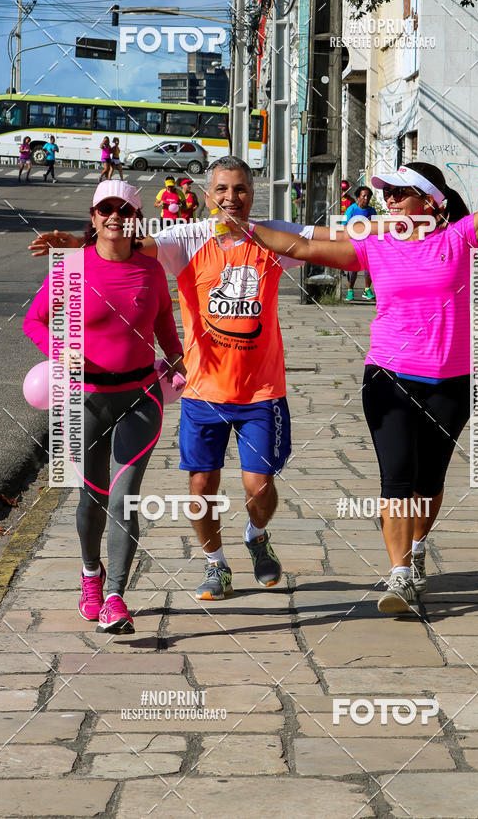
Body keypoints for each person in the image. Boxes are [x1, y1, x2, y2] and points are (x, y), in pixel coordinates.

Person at [222, 97, 478, 614]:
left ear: (431, 203)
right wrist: (244, 227)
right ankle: (400, 575)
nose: (391, 201)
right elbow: (305, 247)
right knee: (398, 476)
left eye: (401, 194)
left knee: (430, 484)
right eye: (388, 194)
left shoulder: (460, 238)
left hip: (451, 383)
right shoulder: (375, 245)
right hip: (389, 377)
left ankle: (417, 546)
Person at [29, 156, 339, 602]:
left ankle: (256, 535)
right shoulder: (187, 238)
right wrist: (82, 243)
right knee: (200, 486)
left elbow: (330, 239)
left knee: (260, 487)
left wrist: (401, 231)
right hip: (203, 391)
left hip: (262, 391)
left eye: (240, 188)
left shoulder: (272, 235)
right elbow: (128, 244)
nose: (231, 197)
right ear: (208, 195)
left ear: (252, 194)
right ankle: (215, 565)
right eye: (222, 189)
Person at [23, 180, 185, 633]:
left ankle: (115, 596)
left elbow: (164, 323)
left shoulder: (151, 271)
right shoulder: (72, 266)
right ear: (93, 218)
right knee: (91, 498)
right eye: (105, 208)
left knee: (125, 497)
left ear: (136, 219)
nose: (115, 215)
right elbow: (34, 321)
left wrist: (177, 359)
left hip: (141, 398)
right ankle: (90, 576)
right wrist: (60, 350)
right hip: (84, 400)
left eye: (124, 209)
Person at [342, 186, 376, 302]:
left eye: (368, 196)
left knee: (369, 268)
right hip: (354, 243)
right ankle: (350, 291)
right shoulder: (351, 209)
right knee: (353, 268)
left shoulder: (372, 211)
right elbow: (344, 226)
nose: (366, 198)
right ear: (358, 197)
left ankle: (367, 290)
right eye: (364, 196)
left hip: (368, 243)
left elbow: (376, 227)